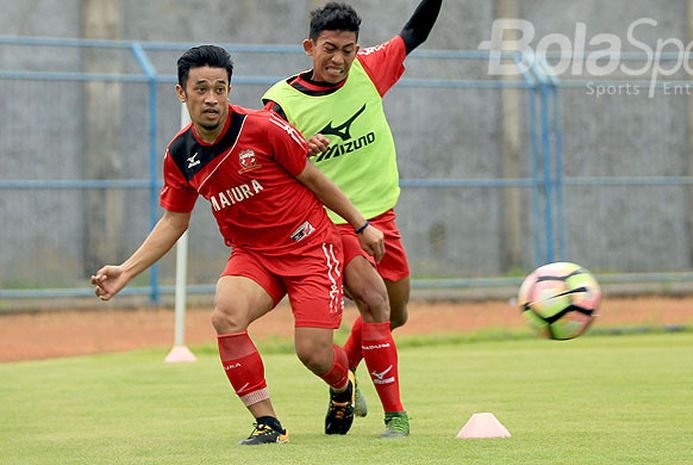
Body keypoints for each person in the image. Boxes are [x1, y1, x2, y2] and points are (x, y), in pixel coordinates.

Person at [90, 45, 387, 445]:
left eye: (220, 88)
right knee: (226, 315)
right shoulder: (180, 154)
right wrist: (126, 270)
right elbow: (175, 221)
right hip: (253, 255)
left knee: (313, 353)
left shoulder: (263, 128)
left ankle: (341, 384)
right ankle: (268, 423)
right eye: (201, 89)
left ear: (229, 90)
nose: (211, 98)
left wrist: (361, 225)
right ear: (182, 93)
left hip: (310, 248)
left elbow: (315, 179)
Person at [262, 0, 443, 438]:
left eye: (348, 49)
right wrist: (299, 143)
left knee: (395, 314)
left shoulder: (368, 70)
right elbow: (265, 156)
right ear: (309, 47)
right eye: (329, 49)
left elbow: (414, 33)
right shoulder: (281, 102)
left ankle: (344, 373)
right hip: (329, 225)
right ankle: (396, 416)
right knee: (374, 300)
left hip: (382, 218)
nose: (339, 59)